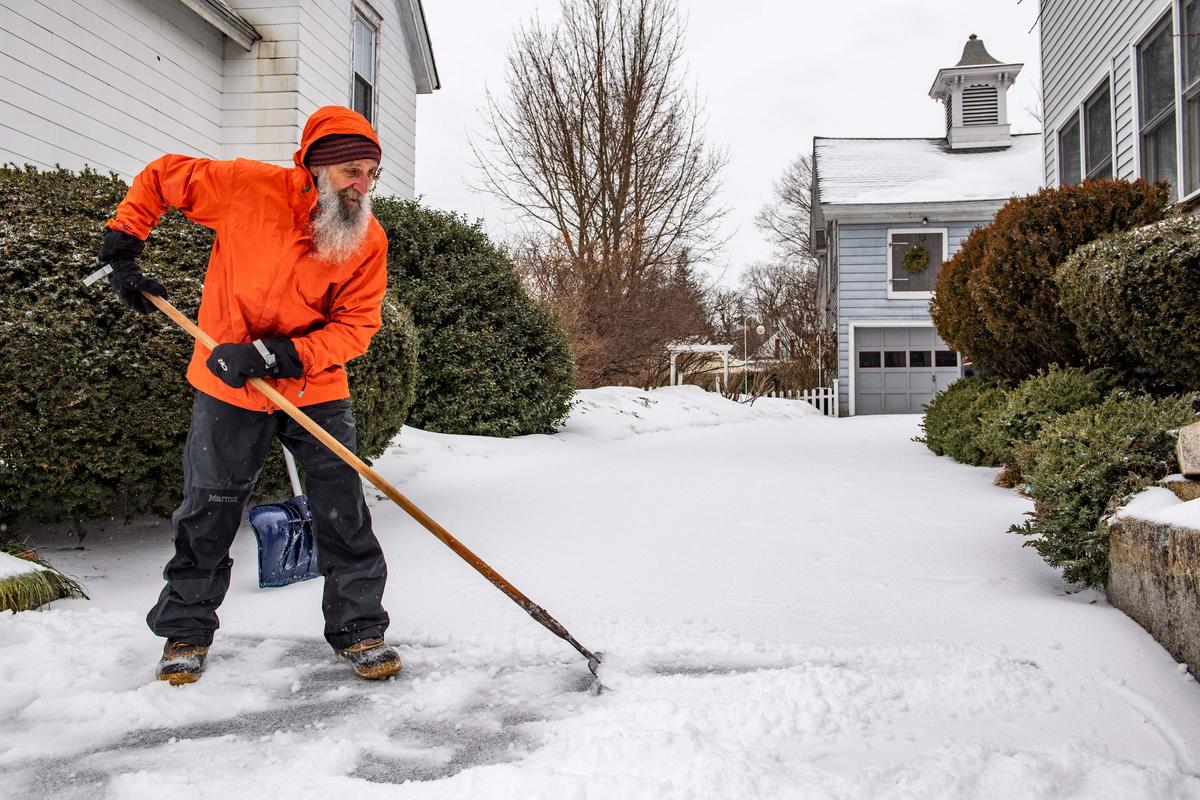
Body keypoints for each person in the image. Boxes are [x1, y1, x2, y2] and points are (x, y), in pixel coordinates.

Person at [98, 106, 400, 685]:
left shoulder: (368, 240)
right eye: (352, 173)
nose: (363, 187)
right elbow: (163, 175)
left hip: (314, 386)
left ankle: (359, 628)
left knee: (342, 509)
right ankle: (185, 631)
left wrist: (278, 356)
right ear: (316, 166)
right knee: (208, 509)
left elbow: (356, 327)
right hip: (227, 387)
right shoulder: (244, 188)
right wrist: (123, 247)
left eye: (371, 174)